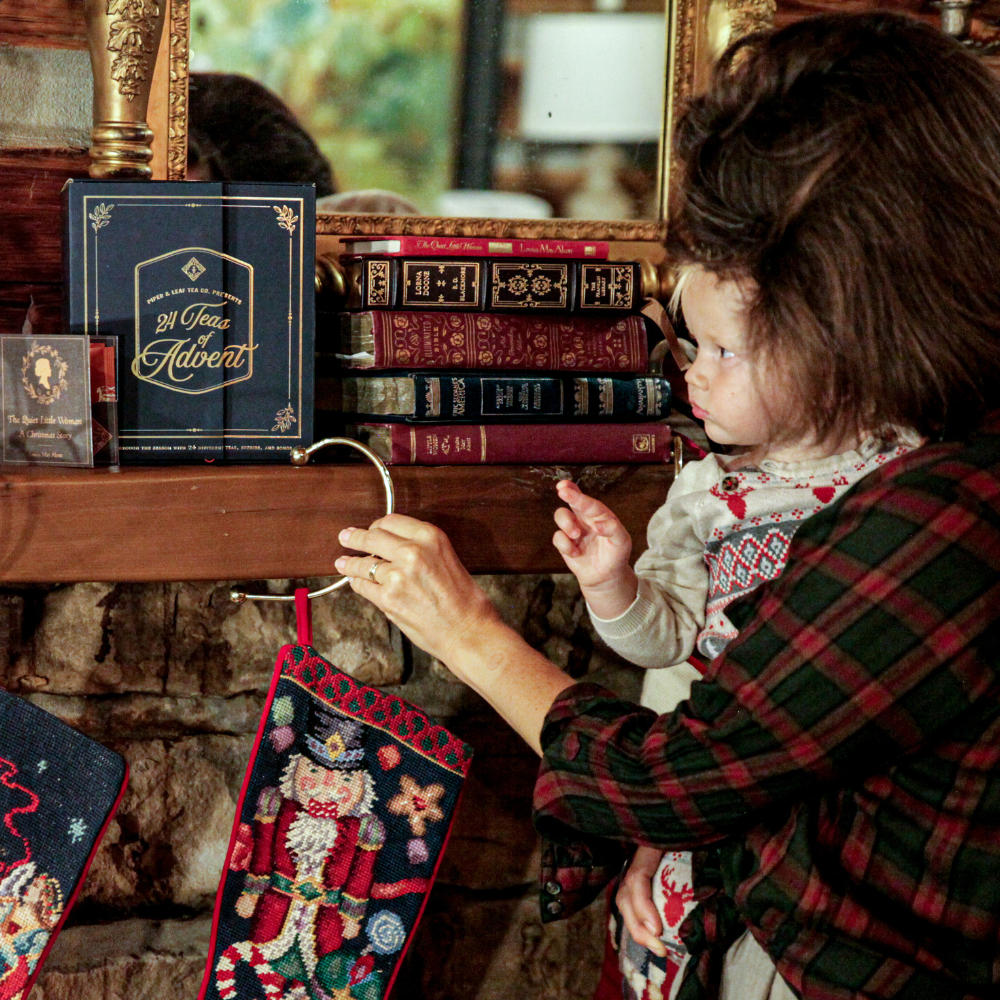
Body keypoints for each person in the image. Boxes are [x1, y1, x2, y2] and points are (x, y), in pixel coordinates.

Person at [331, 12, 1000, 1000]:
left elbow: (678, 774)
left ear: (855, 279)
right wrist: (686, 839)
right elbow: (773, 743)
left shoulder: (945, 510)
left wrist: (467, 630)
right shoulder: (925, 454)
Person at [551, 256, 921, 1000]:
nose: (694, 374)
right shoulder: (708, 491)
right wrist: (614, 585)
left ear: (829, 355)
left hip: (846, 804)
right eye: (693, 347)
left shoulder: (905, 475)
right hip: (725, 778)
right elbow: (667, 638)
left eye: (725, 352)